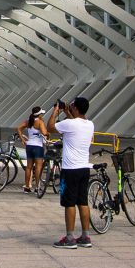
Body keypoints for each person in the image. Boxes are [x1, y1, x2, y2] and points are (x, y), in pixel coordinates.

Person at [47, 97, 94, 249]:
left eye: (72, 105)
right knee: (83, 202)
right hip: (84, 168)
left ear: (75, 108)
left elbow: (50, 128)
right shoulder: (90, 124)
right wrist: (69, 113)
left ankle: (69, 238)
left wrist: (55, 112)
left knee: (69, 203)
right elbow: (75, 125)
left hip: (70, 169)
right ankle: (86, 236)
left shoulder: (69, 123)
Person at [17, 107, 48, 194]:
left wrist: (23, 139)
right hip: (38, 146)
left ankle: (27, 187)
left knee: (29, 167)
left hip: (29, 145)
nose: (42, 115)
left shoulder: (28, 121)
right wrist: (48, 133)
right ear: (39, 114)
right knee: (38, 167)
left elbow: (19, 128)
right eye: (42, 114)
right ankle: (37, 187)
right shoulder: (40, 122)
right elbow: (44, 133)